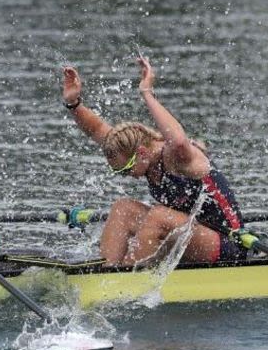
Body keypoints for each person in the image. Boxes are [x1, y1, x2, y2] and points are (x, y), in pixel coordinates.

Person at [62, 56, 245, 266]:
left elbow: (178, 141)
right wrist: (73, 104)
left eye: (126, 169)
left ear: (141, 153)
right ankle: (107, 272)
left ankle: (124, 283)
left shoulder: (177, 157)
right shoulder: (135, 154)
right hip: (187, 236)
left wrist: (147, 93)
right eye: (120, 172)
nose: (126, 175)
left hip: (227, 243)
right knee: (123, 208)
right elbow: (97, 130)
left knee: (159, 216)